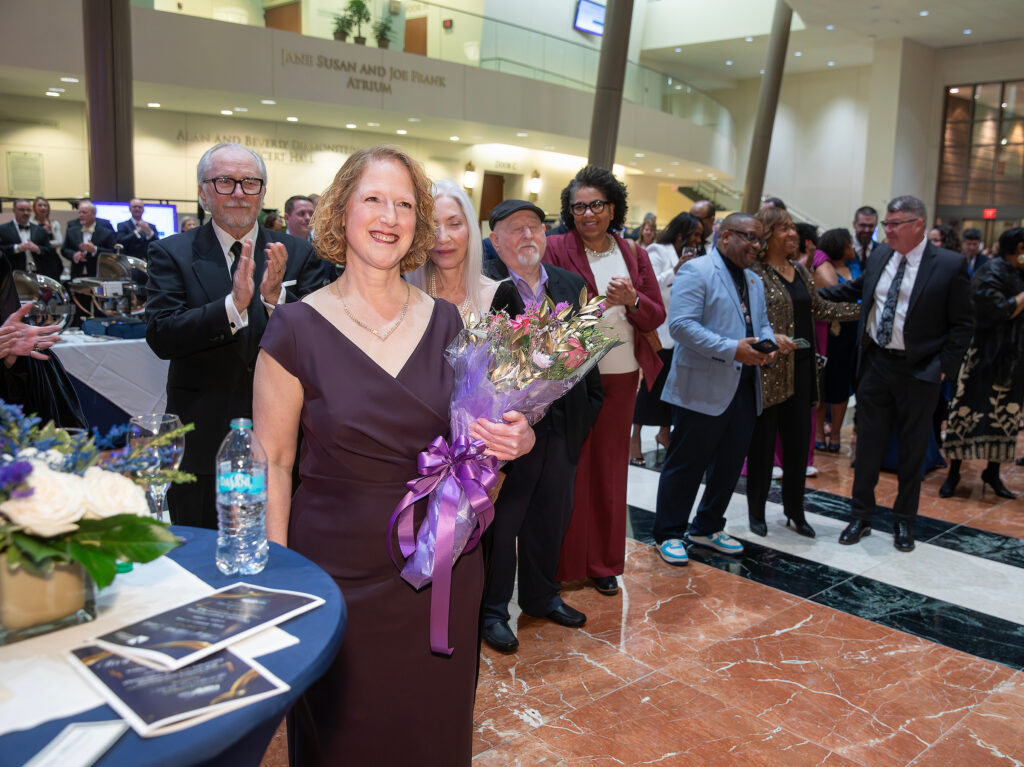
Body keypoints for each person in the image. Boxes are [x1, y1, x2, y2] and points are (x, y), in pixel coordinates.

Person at [253, 145, 535, 766]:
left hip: (442, 563)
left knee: (429, 731)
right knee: (342, 734)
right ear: (341, 210)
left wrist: (519, 438)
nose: (390, 215)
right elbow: (272, 460)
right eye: (373, 199)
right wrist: (279, 579)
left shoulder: (450, 324)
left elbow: (480, 438)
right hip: (335, 570)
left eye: (405, 203)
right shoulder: (295, 328)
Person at [145, 142, 329, 530]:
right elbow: (162, 336)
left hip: (285, 442)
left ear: (263, 192)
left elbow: (322, 340)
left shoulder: (297, 253)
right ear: (202, 191)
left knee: (281, 559)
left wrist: (277, 299)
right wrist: (232, 308)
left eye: (250, 183)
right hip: (202, 439)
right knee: (201, 558)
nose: (238, 193)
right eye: (225, 182)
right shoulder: (171, 253)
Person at [478, 199, 603, 653]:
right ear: (495, 241)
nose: (528, 235)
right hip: (508, 433)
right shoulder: (489, 290)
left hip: (562, 429)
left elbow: (588, 360)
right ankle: (492, 611)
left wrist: (586, 413)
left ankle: (541, 596)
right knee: (502, 523)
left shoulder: (570, 284)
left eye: (535, 227)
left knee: (552, 516)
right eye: (515, 229)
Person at [819, 195, 972, 552]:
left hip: (920, 370)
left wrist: (941, 370)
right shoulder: (881, 256)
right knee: (866, 446)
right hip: (876, 365)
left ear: (917, 225)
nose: (886, 230)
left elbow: (963, 326)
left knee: (912, 450)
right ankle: (860, 516)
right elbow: (854, 291)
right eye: (885, 224)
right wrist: (804, 292)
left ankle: (904, 522)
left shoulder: (949, 265)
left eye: (893, 224)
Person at [544, 165, 665, 595]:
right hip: (573, 377)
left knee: (610, 473)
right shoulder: (556, 247)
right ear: (569, 212)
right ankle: (560, 563)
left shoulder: (633, 252)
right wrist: (592, 306)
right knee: (568, 470)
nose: (588, 213)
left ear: (612, 207)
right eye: (579, 206)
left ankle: (603, 563)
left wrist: (631, 300)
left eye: (596, 204)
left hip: (621, 376)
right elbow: (546, 308)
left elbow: (655, 315)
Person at [653, 213, 776, 564]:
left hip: (744, 384)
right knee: (687, 463)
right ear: (724, 237)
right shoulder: (697, 270)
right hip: (701, 385)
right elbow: (680, 326)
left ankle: (707, 526)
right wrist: (732, 348)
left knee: (729, 463)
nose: (756, 246)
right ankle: (669, 532)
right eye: (750, 237)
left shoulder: (753, 280)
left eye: (759, 239)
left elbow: (762, 323)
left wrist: (766, 346)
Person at [746, 208, 858, 539]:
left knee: (797, 446)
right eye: (784, 229)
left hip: (803, 369)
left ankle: (795, 510)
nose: (793, 234)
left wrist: (863, 310)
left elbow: (819, 308)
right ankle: (756, 512)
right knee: (763, 447)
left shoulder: (800, 271)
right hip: (768, 370)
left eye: (793, 228)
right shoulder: (754, 273)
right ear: (767, 236)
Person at [940, 227, 1024, 500]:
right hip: (983, 355)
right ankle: (953, 474)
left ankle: (993, 471)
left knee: (1005, 415)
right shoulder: (990, 271)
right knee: (967, 413)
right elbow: (998, 309)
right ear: (1019, 248)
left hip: (1012, 357)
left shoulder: (1019, 272)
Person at [629, 211, 702, 467]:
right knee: (650, 386)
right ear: (681, 233)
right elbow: (651, 287)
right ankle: (635, 438)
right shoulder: (658, 251)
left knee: (672, 388)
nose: (697, 239)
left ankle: (664, 432)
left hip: (681, 330)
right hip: (658, 328)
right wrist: (675, 270)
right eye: (694, 234)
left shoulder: (695, 255)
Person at [406, 179, 515, 321]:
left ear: (471, 230)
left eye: (454, 224)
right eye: (433, 226)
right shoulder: (405, 297)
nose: (443, 238)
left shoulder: (503, 297)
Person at [813, 228, 860, 454]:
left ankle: (836, 433)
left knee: (842, 385)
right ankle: (820, 432)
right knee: (824, 383)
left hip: (853, 332)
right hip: (831, 332)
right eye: (849, 243)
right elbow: (831, 293)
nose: (852, 247)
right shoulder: (824, 267)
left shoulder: (855, 267)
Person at [0, 198, 62, 280]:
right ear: (14, 210)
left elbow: (50, 251)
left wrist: (38, 249)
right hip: (13, 275)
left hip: (38, 274)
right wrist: (16, 248)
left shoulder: (40, 230)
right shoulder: (3, 229)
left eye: (28, 210)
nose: (26, 213)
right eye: (22, 210)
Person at [62, 201, 116, 278]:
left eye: (84, 212)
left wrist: (95, 250)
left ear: (93, 214)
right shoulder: (72, 231)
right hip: (77, 273)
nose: (81, 215)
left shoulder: (106, 232)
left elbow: (113, 252)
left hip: (98, 274)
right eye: (79, 212)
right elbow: (64, 249)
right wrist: (74, 255)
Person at [851, 205, 878, 271]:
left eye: (871, 226)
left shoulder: (881, 251)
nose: (866, 230)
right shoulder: (842, 249)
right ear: (854, 224)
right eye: (863, 225)